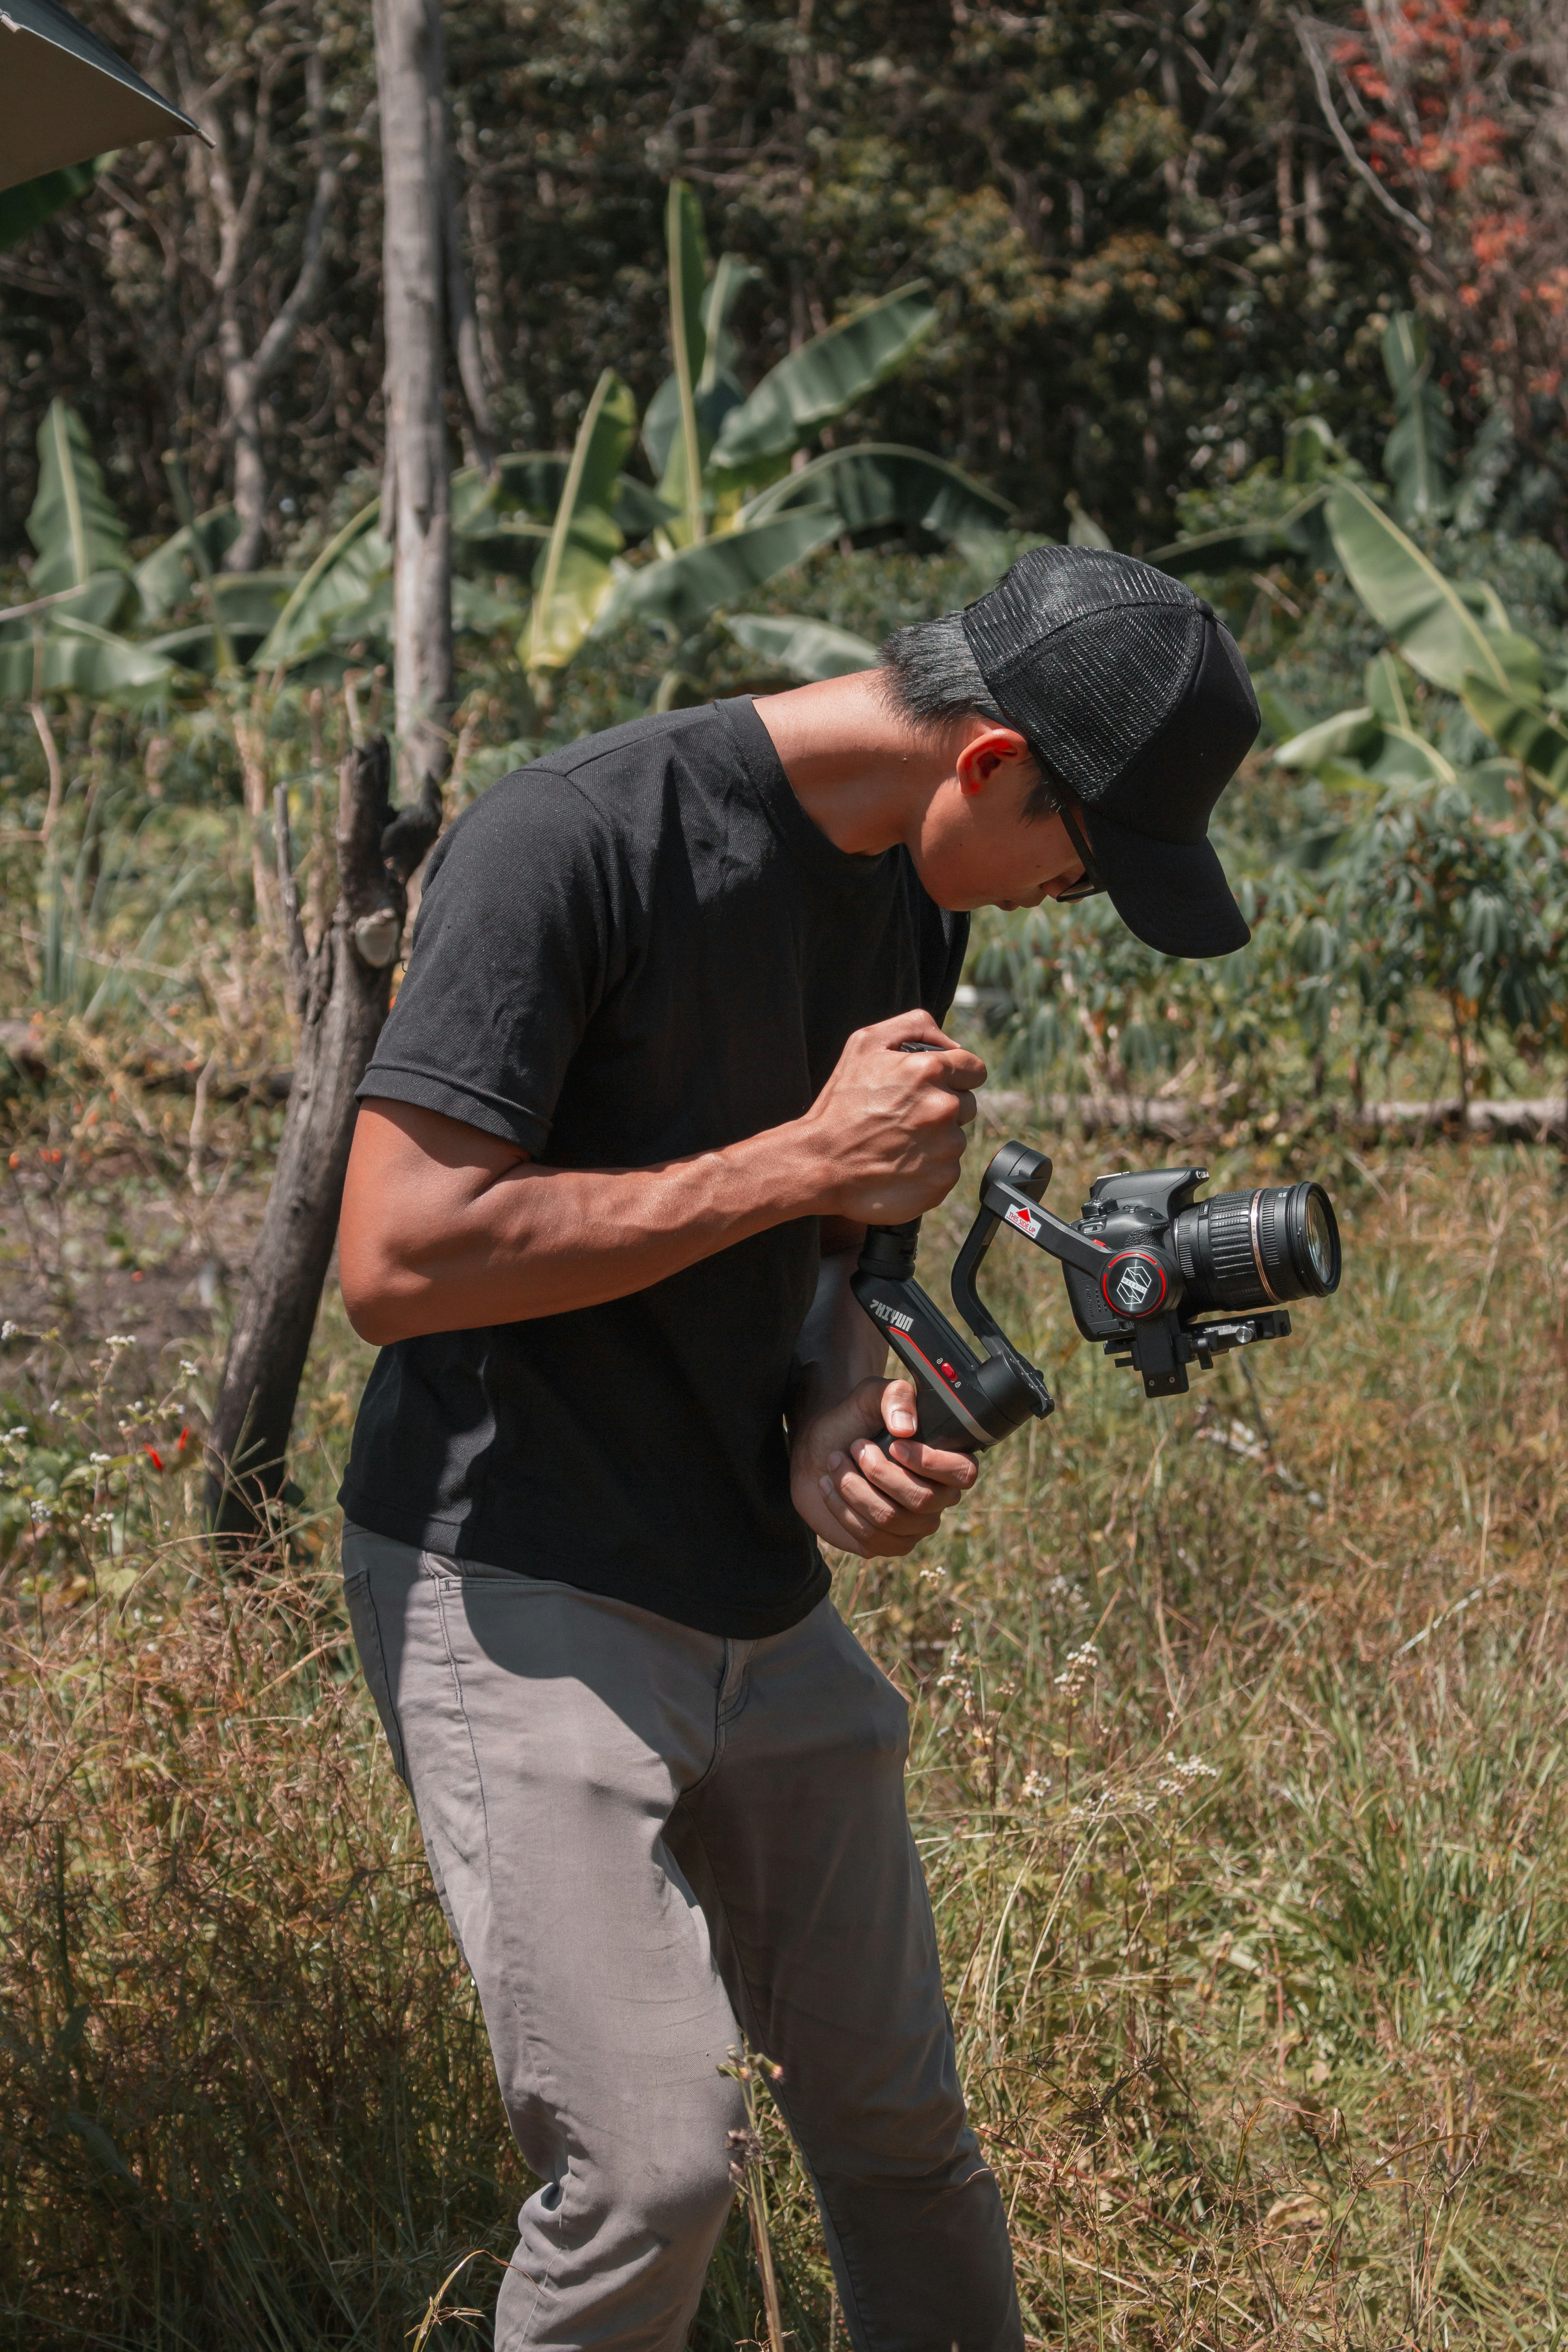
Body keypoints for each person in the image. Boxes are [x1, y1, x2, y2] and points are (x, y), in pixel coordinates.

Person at [335, 545, 1259, 2352]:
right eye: (1086, 858)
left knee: (904, 2135)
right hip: (517, 1574)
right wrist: (795, 1165)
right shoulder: (573, 841)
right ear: (989, 764)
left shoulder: (912, 894)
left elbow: (847, 1262)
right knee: (655, 2169)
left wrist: (845, 1419)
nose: (1075, 898)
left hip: (753, 1600)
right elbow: (395, 1257)